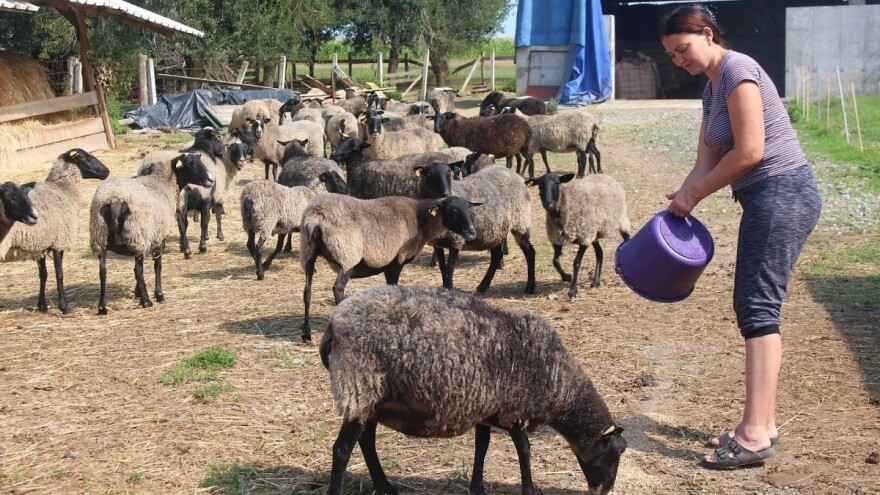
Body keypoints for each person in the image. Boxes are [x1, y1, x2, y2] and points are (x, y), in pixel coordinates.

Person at [659, 4, 822, 469]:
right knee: (753, 304)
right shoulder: (712, 89)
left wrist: (695, 194)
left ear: (707, 34)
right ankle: (762, 423)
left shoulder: (739, 70)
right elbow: (707, 162)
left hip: (783, 191)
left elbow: (750, 151)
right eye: (671, 55)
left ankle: (754, 434)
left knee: (757, 306)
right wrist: (681, 199)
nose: (678, 61)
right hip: (765, 196)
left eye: (682, 49)